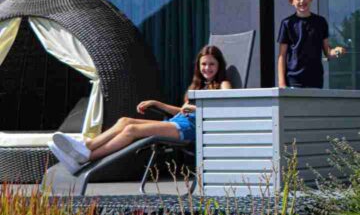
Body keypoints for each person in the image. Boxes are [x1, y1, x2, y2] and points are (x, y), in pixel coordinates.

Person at [48, 45, 232, 174]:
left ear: (219, 65)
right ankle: (85, 147)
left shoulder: (223, 84)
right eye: (204, 64)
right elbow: (182, 111)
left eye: (211, 64)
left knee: (132, 130)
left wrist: (197, 108)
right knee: (124, 121)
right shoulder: (197, 86)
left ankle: (86, 157)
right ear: (198, 66)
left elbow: (226, 110)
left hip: (191, 130)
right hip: (177, 123)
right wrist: (158, 104)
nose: (207, 68)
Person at [277, 0, 346, 89]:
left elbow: (327, 51)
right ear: (291, 1)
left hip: (315, 78)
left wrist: (336, 51)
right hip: (294, 80)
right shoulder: (287, 23)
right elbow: (282, 55)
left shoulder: (320, 22)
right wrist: (282, 84)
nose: (302, 1)